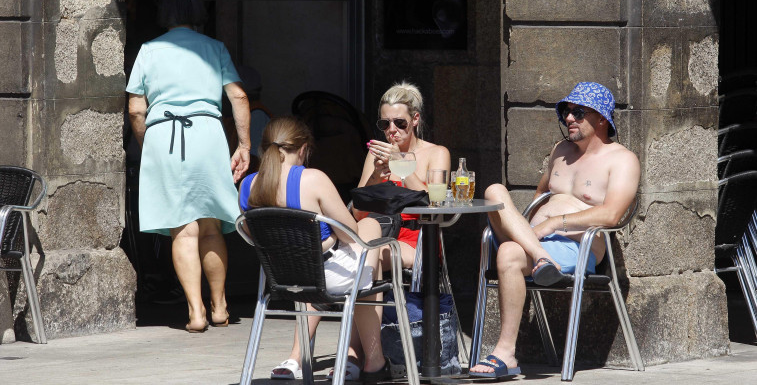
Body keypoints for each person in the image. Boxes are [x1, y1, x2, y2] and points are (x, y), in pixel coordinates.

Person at [469, 82, 640, 378]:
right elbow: (539, 196)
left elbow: (612, 215)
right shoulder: (560, 150)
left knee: (509, 252)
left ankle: (505, 353)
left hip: (577, 246)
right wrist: (533, 225)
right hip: (537, 241)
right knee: (494, 190)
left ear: (601, 118)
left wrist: (553, 222)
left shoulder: (622, 160)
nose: (569, 119)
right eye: (565, 112)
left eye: (577, 112)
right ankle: (539, 258)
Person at [126, 0, 250, 333]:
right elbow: (239, 97)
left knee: (183, 228)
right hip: (207, 135)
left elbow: (136, 108)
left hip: (165, 135)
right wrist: (244, 146)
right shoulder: (214, 48)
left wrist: (148, 140)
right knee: (212, 227)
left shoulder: (149, 50)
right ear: (198, 10)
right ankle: (220, 306)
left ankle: (195, 312)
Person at [238, 117, 394, 382]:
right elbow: (350, 234)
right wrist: (331, 232)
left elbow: (259, 239)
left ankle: (318, 357)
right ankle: (374, 361)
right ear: (302, 149)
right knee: (370, 227)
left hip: (281, 280)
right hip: (328, 277)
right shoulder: (313, 179)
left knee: (360, 258)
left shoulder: (247, 185)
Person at [357, 81, 451, 268]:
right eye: (385, 123)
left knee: (365, 256)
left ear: (415, 119)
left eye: (400, 123)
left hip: (417, 239)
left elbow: (436, 205)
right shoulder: (375, 154)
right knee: (359, 251)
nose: (392, 130)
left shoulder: (437, 153)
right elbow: (358, 213)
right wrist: (377, 176)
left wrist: (400, 163)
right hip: (378, 233)